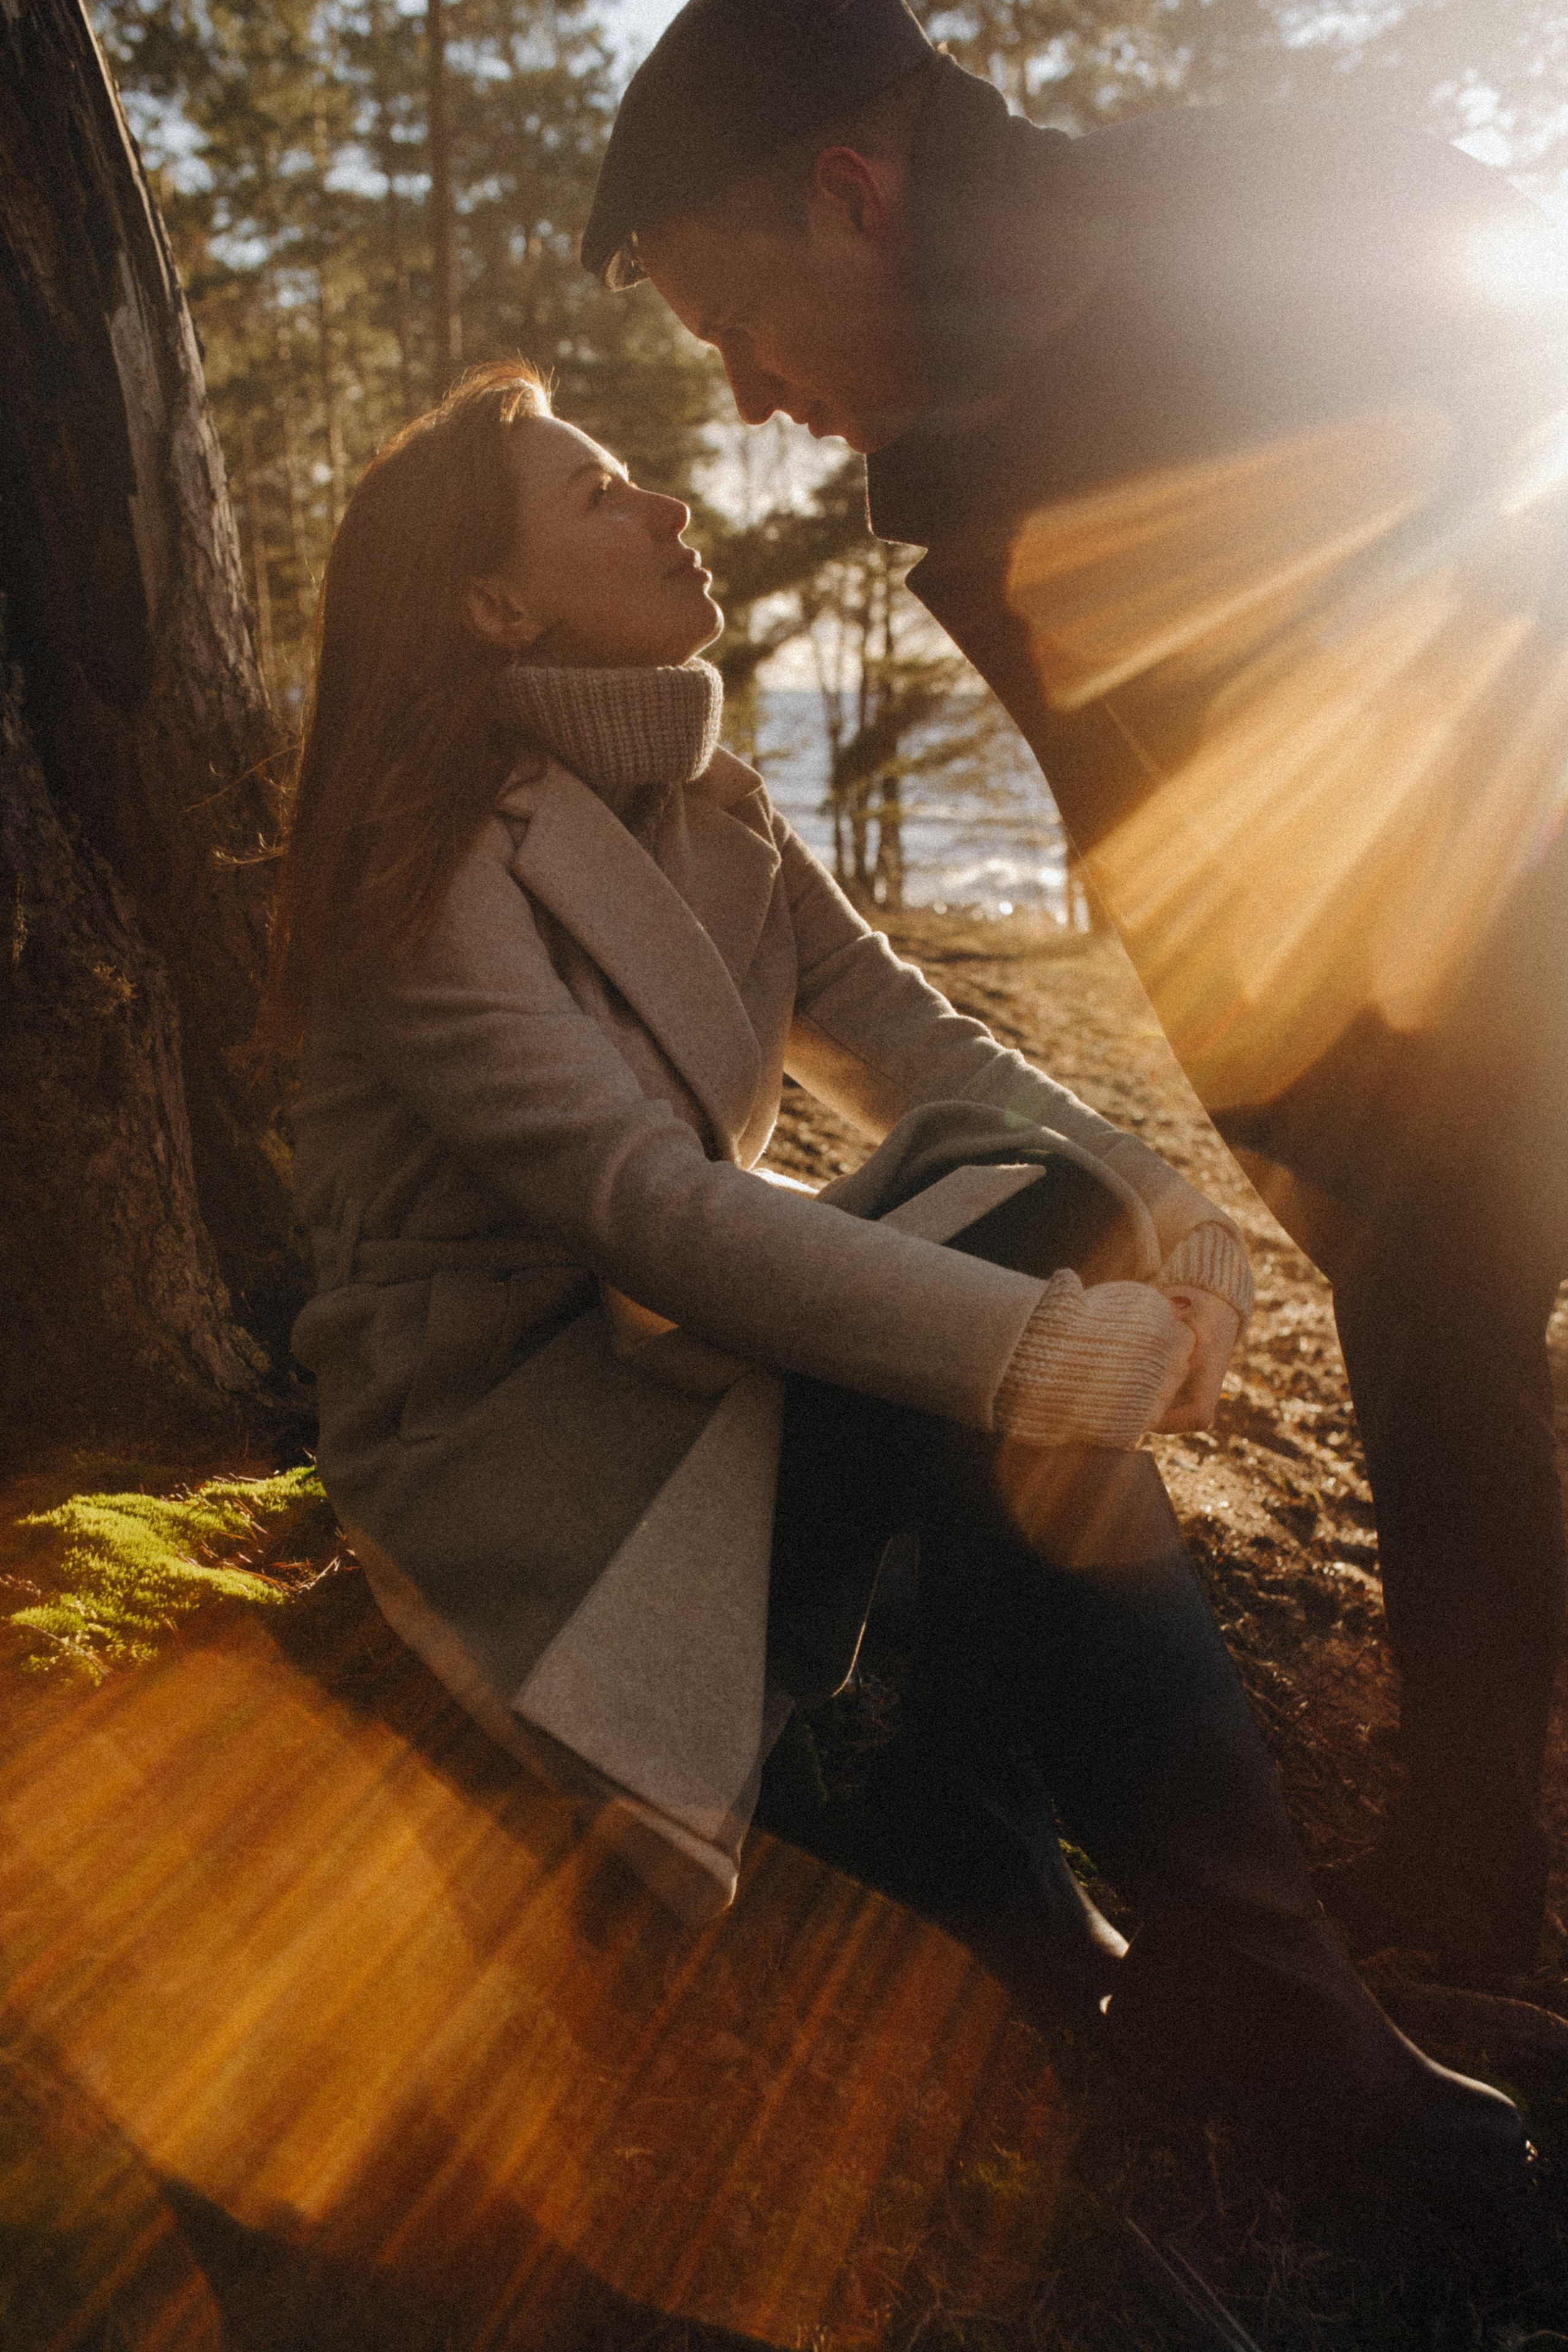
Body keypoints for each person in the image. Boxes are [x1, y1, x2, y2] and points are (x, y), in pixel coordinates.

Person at [267, 357, 1523, 2203]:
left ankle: (1009, 1855)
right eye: (601, 492)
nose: (668, 503)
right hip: (520, 1454)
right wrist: (1047, 1348)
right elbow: (645, 1208)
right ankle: (1249, 1987)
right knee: (994, 1267)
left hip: (676, 1373)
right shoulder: (424, 861)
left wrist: (1161, 1203)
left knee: (1023, 1195)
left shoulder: (710, 803)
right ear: (490, 603)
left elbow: (919, 1045)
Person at [582, 0, 1568, 1988]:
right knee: (1439, 1313)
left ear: (854, 196)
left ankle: (1472, 1871)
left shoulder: (1255, 221)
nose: (751, 397)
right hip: (1351, 1034)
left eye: (732, 328)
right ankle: (1474, 1841)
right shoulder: (968, 424)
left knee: (1451, 1298)